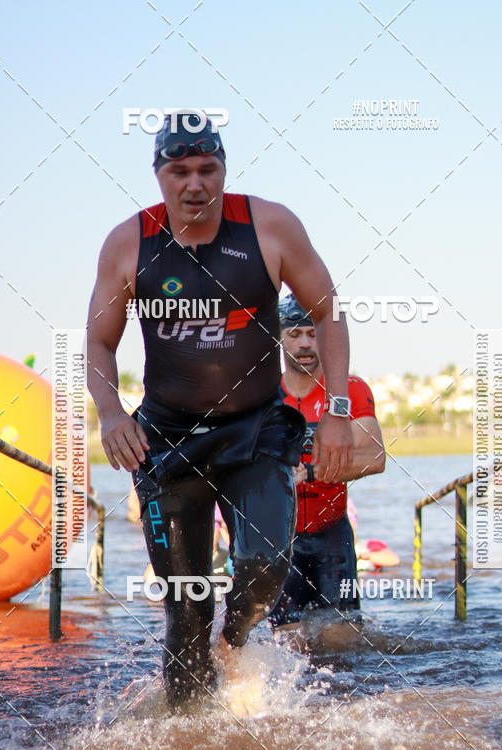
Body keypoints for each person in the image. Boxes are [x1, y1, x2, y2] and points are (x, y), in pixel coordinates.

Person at [86, 112, 353, 707]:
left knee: (264, 567)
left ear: (224, 170)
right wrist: (110, 412)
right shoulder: (129, 243)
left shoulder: (269, 226)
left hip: (254, 430)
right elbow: (99, 341)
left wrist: (334, 411)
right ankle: (188, 745)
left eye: (208, 169)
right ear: (159, 176)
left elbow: (329, 312)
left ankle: (233, 642)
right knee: (184, 608)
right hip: (168, 440)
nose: (194, 184)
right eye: (179, 171)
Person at [269, 294, 386, 641]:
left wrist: (313, 471)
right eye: (295, 334)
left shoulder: (350, 390)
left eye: (313, 333)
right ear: (279, 337)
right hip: (279, 539)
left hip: (332, 536)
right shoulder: (263, 395)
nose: (305, 343)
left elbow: (375, 458)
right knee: (287, 655)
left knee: (343, 649)